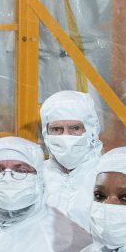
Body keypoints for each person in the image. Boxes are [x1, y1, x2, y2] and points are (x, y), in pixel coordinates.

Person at [38, 90, 105, 224]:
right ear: (46, 133)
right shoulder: (36, 175)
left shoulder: (109, 175)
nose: (66, 136)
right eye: (57, 129)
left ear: (91, 130)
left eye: (75, 128)